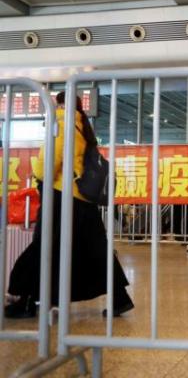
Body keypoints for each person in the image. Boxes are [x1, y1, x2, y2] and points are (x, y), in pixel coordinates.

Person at [5, 92, 134, 318]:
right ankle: (120, 298)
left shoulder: (62, 124)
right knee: (96, 250)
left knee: (44, 247)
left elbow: (49, 162)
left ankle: (25, 300)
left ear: (61, 105)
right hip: (84, 199)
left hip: (61, 196)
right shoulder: (82, 126)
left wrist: (39, 175)